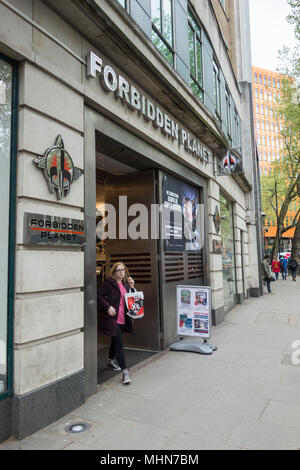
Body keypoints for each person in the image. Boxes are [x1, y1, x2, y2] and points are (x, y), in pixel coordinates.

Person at [98, 262, 136, 385]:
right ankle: (125, 372)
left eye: (123, 270)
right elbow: (98, 296)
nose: (121, 272)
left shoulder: (125, 283)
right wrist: (108, 307)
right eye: (118, 270)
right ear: (114, 272)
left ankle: (110, 361)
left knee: (115, 341)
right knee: (119, 344)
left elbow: (132, 300)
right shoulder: (109, 284)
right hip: (113, 319)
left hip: (123, 318)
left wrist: (132, 287)